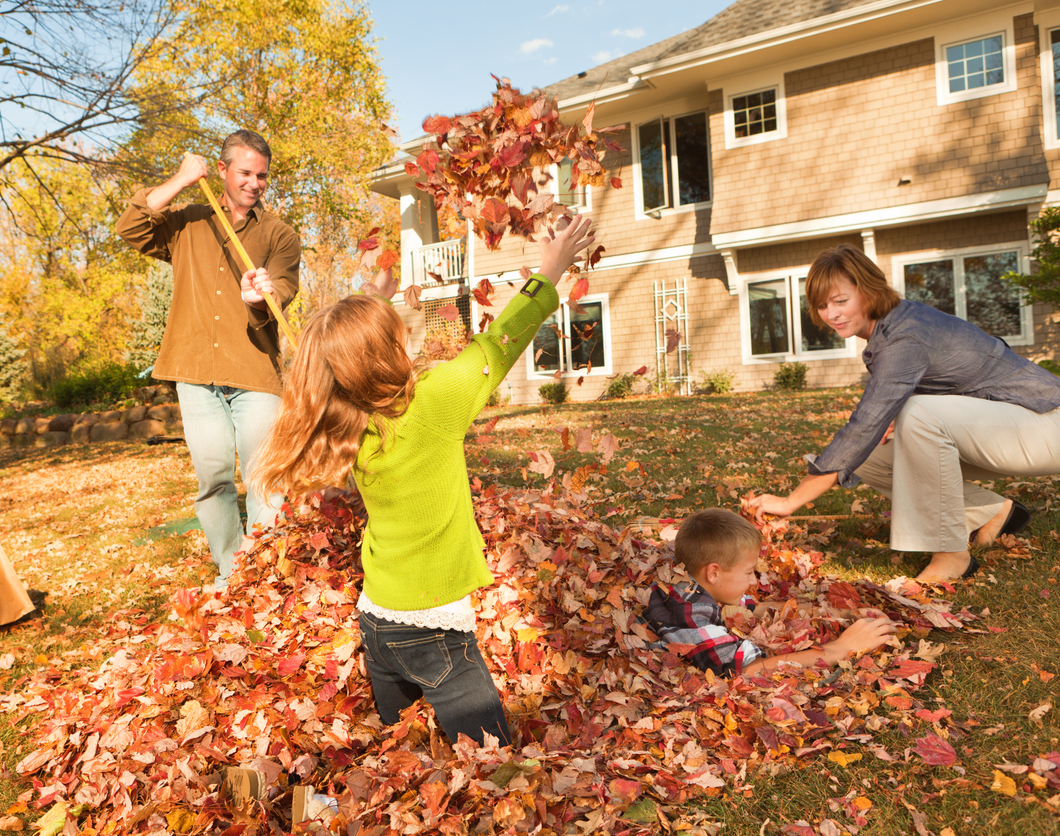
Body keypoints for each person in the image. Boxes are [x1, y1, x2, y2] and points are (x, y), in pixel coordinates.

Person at [252, 215, 597, 747]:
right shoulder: (434, 402)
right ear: (391, 353)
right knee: (492, 758)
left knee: (404, 754)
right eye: (398, 332)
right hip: (434, 631)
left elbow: (340, 354)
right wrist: (551, 267)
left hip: (378, 625)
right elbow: (503, 341)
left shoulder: (344, 423)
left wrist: (374, 296)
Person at [747, 244, 1060, 582]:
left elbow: (865, 424)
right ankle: (989, 512)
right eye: (822, 305)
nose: (831, 314)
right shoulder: (895, 323)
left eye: (841, 301)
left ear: (868, 290)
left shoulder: (902, 337)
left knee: (915, 414)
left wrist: (790, 501)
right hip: (1013, 425)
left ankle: (952, 555)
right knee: (870, 456)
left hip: (1047, 422)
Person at [117, 130, 300, 586]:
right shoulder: (189, 221)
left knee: (265, 479)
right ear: (222, 170)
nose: (255, 183)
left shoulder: (280, 235)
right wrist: (180, 179)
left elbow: (283, 287)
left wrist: (260, 296)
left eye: (262, 176)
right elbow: (130, 228)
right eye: (245, 172)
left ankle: (266, 574)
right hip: (195, 372)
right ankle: (232, 572)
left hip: (255, 373)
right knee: (214, 480)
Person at [645, 509, 896, 676]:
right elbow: (752, 670)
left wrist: (843, 614)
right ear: (713, 572)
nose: (753, 581)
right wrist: (841, 648)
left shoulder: (698, 582)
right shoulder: (690, 613)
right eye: (748, 572)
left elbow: (753, 607)